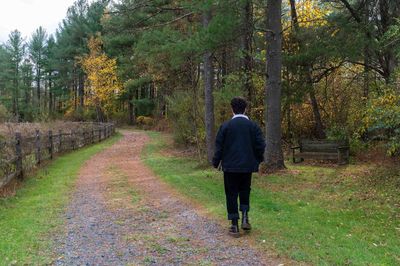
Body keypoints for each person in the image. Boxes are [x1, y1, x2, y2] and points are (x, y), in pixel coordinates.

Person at [212, 97, 266, 237]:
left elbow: (219, 147)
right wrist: (258, 160)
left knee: (231, 193)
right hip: (247, 166)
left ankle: (234, 226)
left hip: (230, 167)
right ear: (245, 109)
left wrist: (215, 162)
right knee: (245, 190)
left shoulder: (226, 126)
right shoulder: (253, 127)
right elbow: (261, 145)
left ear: (232, 109)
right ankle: (245, 217)